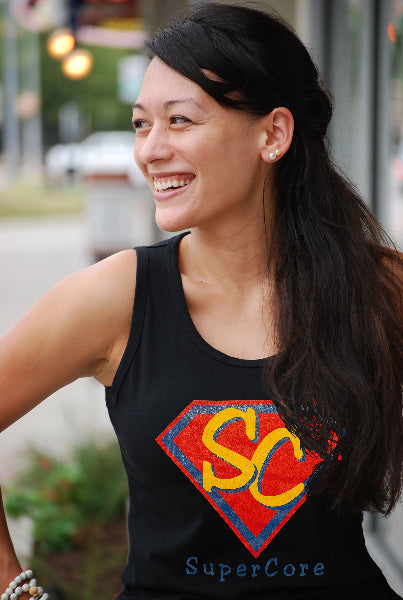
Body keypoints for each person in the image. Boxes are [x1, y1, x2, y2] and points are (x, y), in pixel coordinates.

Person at [1, 3, 402, 599]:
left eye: (180, 121)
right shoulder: (117, 296)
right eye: (141, 124)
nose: (150, 151)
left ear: (273, 134)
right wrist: (17, 593)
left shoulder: (378, 288)